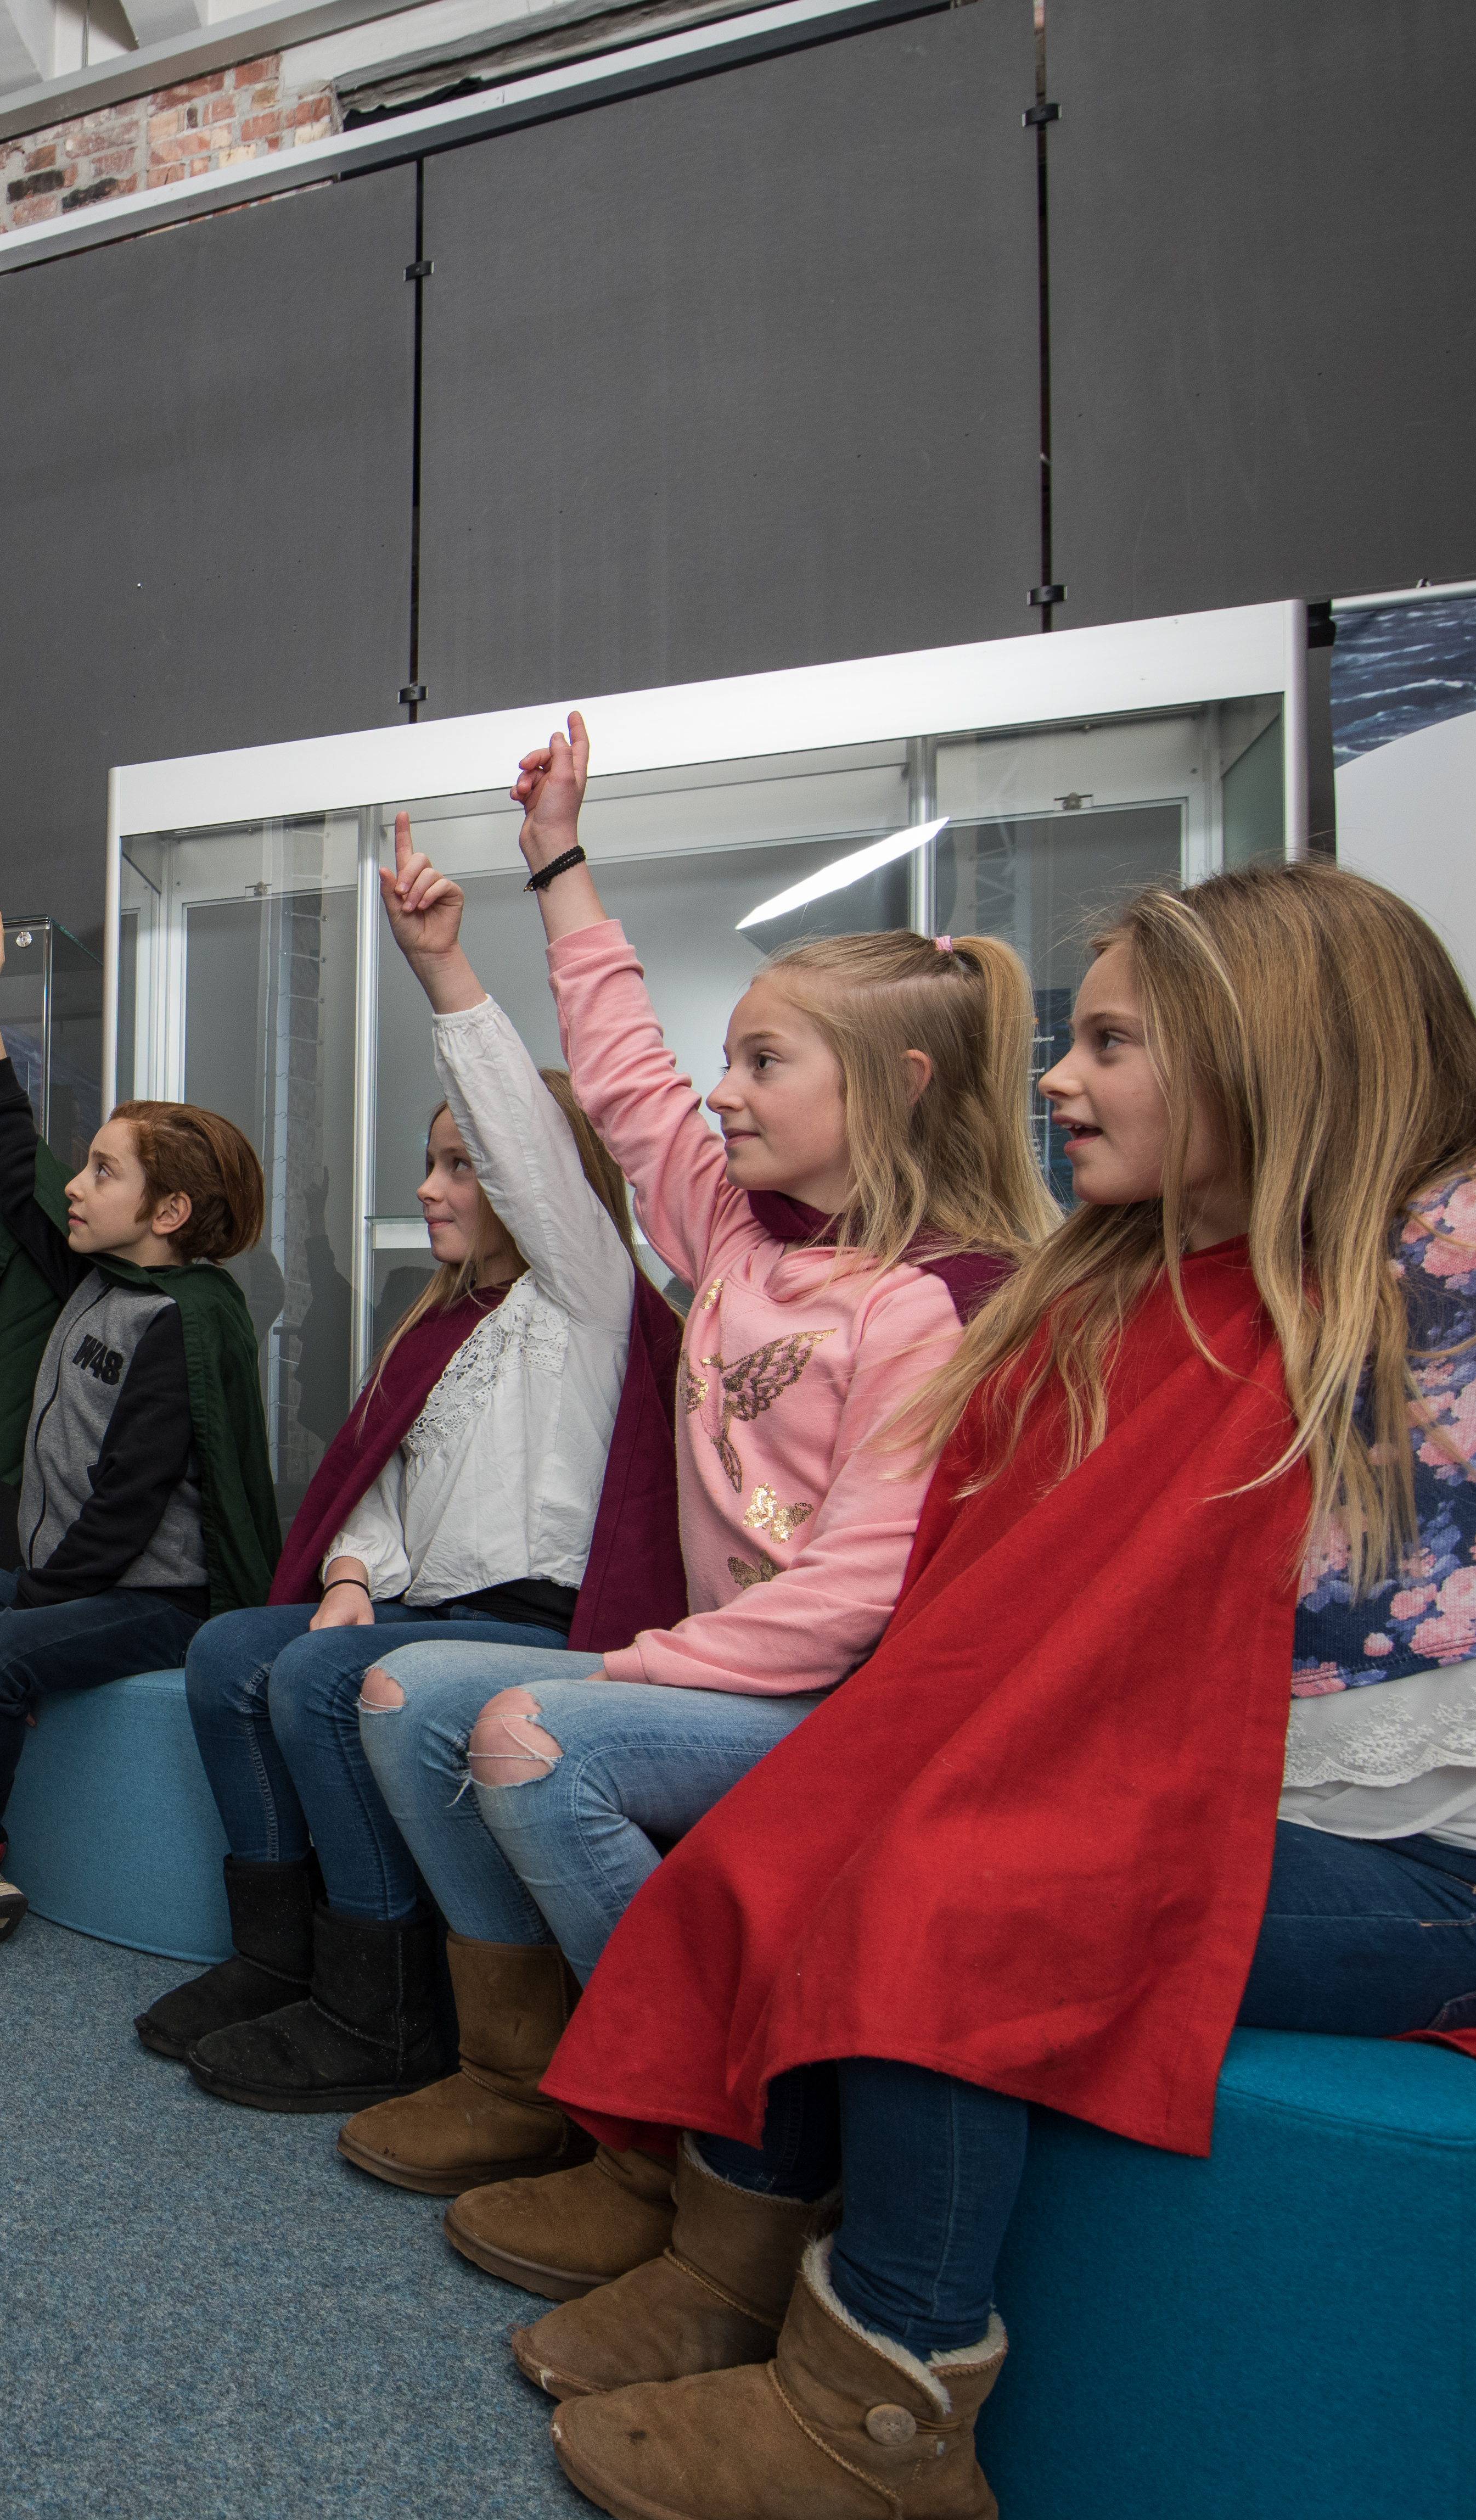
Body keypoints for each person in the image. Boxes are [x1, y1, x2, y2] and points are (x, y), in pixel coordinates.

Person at [520, 537, 1476, 2520]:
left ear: (1275, 1047)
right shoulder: (1125, 1285)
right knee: (830, 1819)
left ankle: (886, 2397)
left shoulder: (1460, 1248)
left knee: (946, 1892)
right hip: (1180, 1810)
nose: (1062, 1075)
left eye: (1116, 1041)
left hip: (1419, 1875)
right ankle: (732, 2265)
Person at [340, 715, 1047, 2265]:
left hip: (838, 1705)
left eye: (767, 1063)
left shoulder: (932, 1300)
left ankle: (683, 2142)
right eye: (731, 1056)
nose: (721, 1091)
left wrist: (639, 1668)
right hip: (727, 1675)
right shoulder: (741, 1234)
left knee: (529, 1739)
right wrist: (554, 864)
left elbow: (860, 1596)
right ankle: (535, 2077)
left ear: (899, 1087)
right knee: (403, 1697)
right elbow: (622, 1066)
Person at [144, 817, 688, 2110]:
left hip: (544, 1621)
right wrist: (344, 1570)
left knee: (328, 1673)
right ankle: (282, 1954)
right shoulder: (436, 1323)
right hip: (423, 1606)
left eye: (463, 1163)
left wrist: (442, 967)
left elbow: (530, 1143)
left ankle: (383, 1997)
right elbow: (382, 1495)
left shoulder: (586, 1295)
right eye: (433, 1161)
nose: (435, 1186)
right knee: (234, 1648)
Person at [0, 906, 285, 1962]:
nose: (78, 1183)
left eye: (107, 1171)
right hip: (60, 1584)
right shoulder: (94, 1275)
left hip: (153, 1603)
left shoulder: (187, 1319)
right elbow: (17, 1158)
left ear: (167, 1214)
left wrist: (26, 1604)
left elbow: (125, 1513)